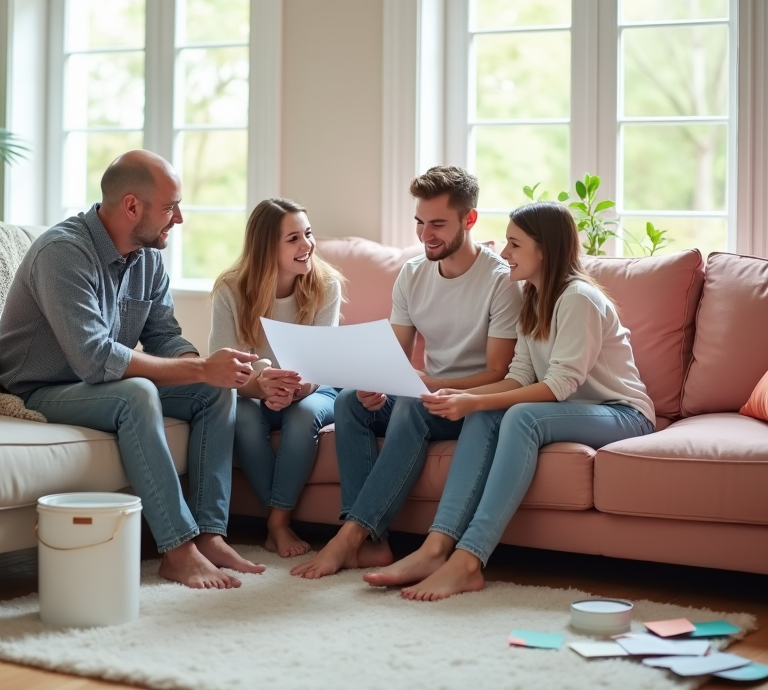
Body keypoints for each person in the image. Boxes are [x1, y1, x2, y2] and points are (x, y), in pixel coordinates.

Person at [0, 149, 266, 590]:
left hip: (95, 386)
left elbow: (164, 335)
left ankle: (210, 534)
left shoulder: (147, 256)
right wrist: (199, 370)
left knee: (216, 390)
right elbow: (95, 358)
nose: (178, 219)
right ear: (132, 206)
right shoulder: (63, 252)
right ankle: (178, 551)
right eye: (170, 206)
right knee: (138, 392)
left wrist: (212, 371)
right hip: (40, 390)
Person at [364, 201, 655, 600]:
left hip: (621, 414)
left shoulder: (578, 299)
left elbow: (559, 385)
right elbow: (519, 376)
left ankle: (469, 560)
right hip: (568, 410)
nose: (504, 255)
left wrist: (475, 402)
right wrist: (463, 397)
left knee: (520, 417)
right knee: (490, 415)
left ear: (544, 250)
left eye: (514, 245)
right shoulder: (532, 297)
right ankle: (436, 547)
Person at [291, 165, 524, 579]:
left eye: (438, 224)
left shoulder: (500, 281)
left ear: (469, 220)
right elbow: (395, 358)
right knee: (349, 402)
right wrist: (376, 384)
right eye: (420, 222)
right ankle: (374, 544)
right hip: (426, 394)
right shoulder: (413, 275)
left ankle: (349, 538)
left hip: (471, 405)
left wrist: (428, 384)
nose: (425, 234)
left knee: (414, 406)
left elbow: (498, 372)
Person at [209, 198, 345, 558]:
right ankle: (277, 519)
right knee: (245, 419)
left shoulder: (326, 285)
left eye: (308, 234)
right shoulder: (231, 290)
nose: (307, 246)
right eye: (294, 239)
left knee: (303, 417)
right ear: (266, 246)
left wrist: (299, 388)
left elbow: (322, 362)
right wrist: (260, 385)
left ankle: (277, 523)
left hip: (315, 386)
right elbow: (224, 362)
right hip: (253, 388)